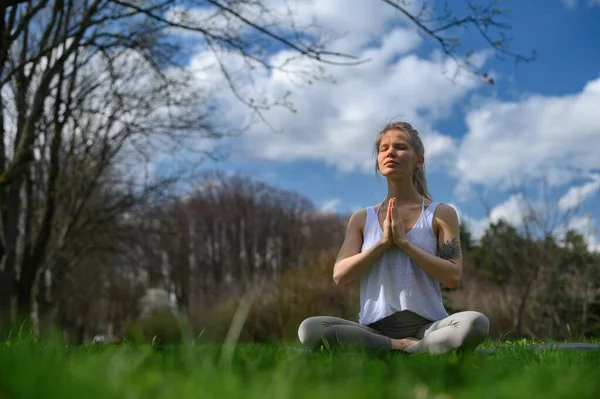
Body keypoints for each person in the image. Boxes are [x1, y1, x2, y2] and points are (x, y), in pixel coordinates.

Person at [297, 121, 489, 355]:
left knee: (475, 323)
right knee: (309, 329)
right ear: (378, 162)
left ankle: (409, 347)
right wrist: (383, 243)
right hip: (374, 328)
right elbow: (340, 274)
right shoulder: (361, 219)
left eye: (400, 147)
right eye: (384, 148)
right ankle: (399, 347)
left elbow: (452, 276)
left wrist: (404, 243)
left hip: (428, 326)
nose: (390, 152)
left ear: (419, 160)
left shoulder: (440, 214)